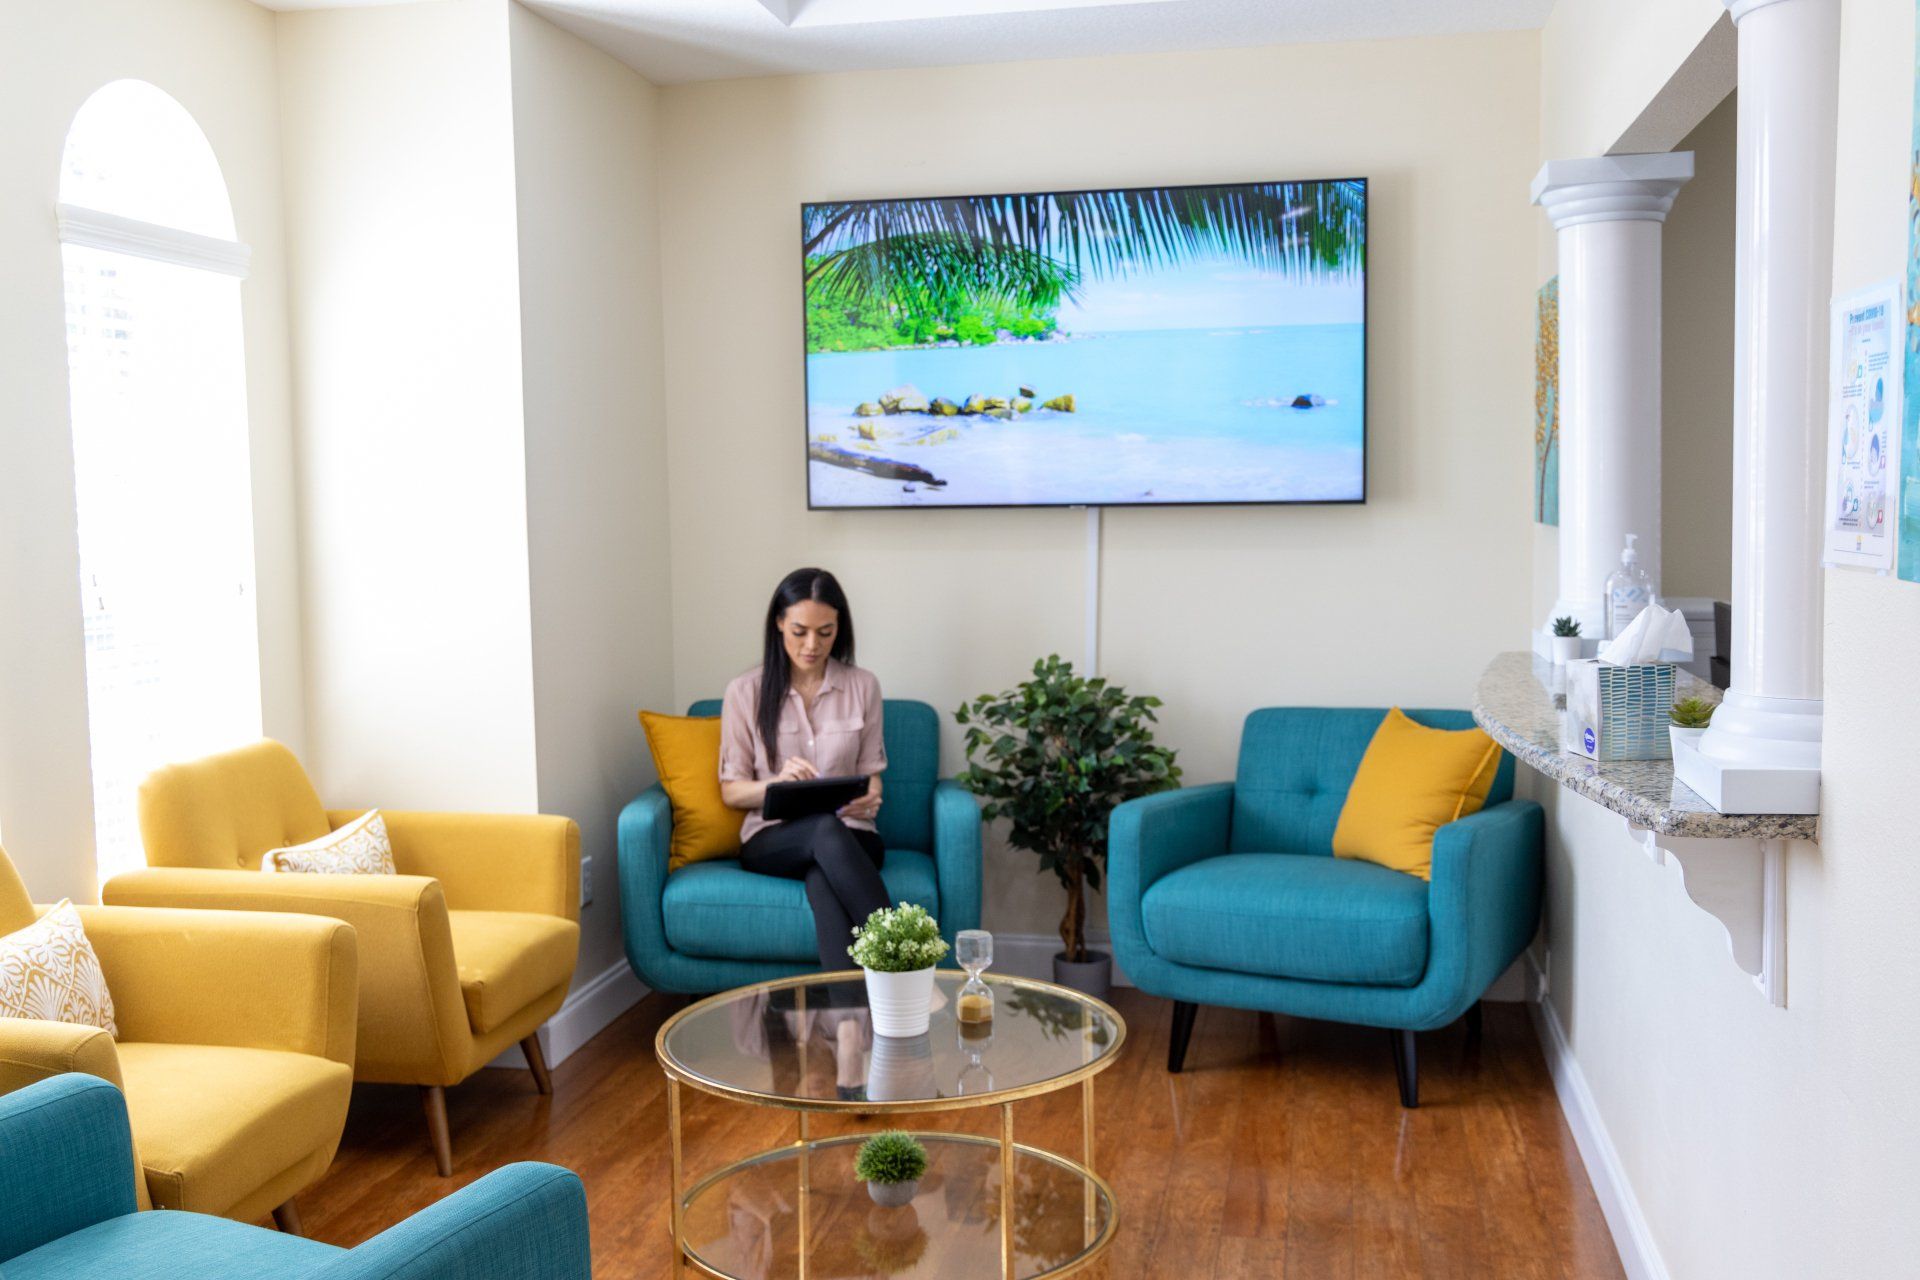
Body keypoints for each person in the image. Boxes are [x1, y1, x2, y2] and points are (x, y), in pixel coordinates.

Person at [719, 567, 889, 975]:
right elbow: (732, 791)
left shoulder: (863, 686)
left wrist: (872, 796)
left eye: (825, 632)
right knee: (823, 830)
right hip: (772, 839)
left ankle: (847, 1013)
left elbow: (871, 773)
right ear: (779, 623)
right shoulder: (745, 692)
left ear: (839, 628)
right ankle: (905, 965)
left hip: (853, 836)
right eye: (800, 631)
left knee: (823, 876)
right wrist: (776, 784)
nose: (812, 645)